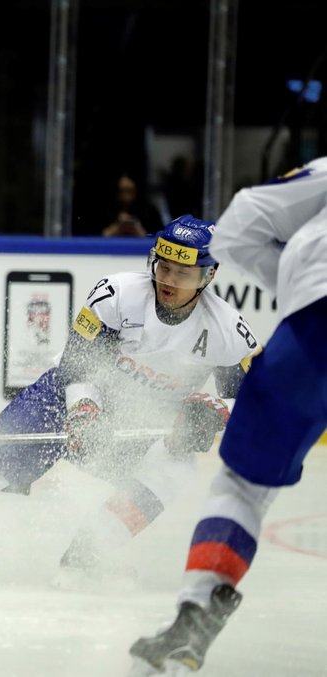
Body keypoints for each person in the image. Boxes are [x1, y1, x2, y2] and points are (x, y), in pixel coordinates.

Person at [0, 215, 261, 585]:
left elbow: (250, 401)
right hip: (62, 402)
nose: (169, 280)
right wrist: (85, 413)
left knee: (175, 469)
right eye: (164, 267)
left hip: (139, 424)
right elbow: (78, 366)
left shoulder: (228, 331)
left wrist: (214, 413)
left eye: (184, 273)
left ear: (209, 275)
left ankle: (83, 559)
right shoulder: (117, 295)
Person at [129, 160, 327, 674]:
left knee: (242, 487)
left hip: (317, 328)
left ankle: (196, 611)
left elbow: (241, 225)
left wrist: (299, 287)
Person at [101, 172, 166, 237]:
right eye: (122, 191)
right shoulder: (106, 211)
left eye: (130, 191)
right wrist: (117, 226)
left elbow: (159, 238)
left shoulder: (150, 211)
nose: (126, 197)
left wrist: (138, 229)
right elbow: (99, 237)